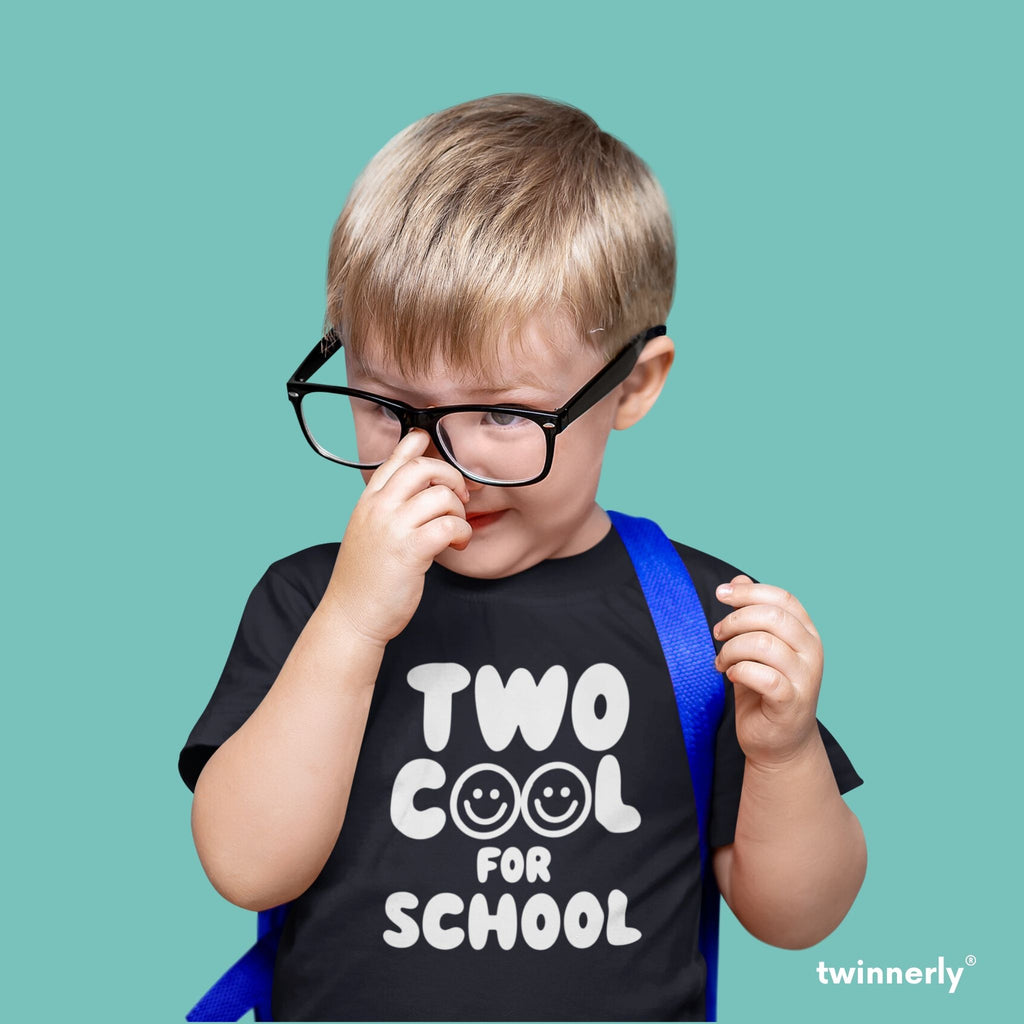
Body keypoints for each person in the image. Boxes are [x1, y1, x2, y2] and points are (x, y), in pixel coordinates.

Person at [179, 94, 866, 1022]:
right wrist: (350, 624)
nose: (441, 460)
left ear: (634, 385)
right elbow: (246, 864)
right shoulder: (309, 600)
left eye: (501, 414)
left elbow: (797, 917)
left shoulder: (699, 619)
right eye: (388, 406)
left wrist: (782, 756)